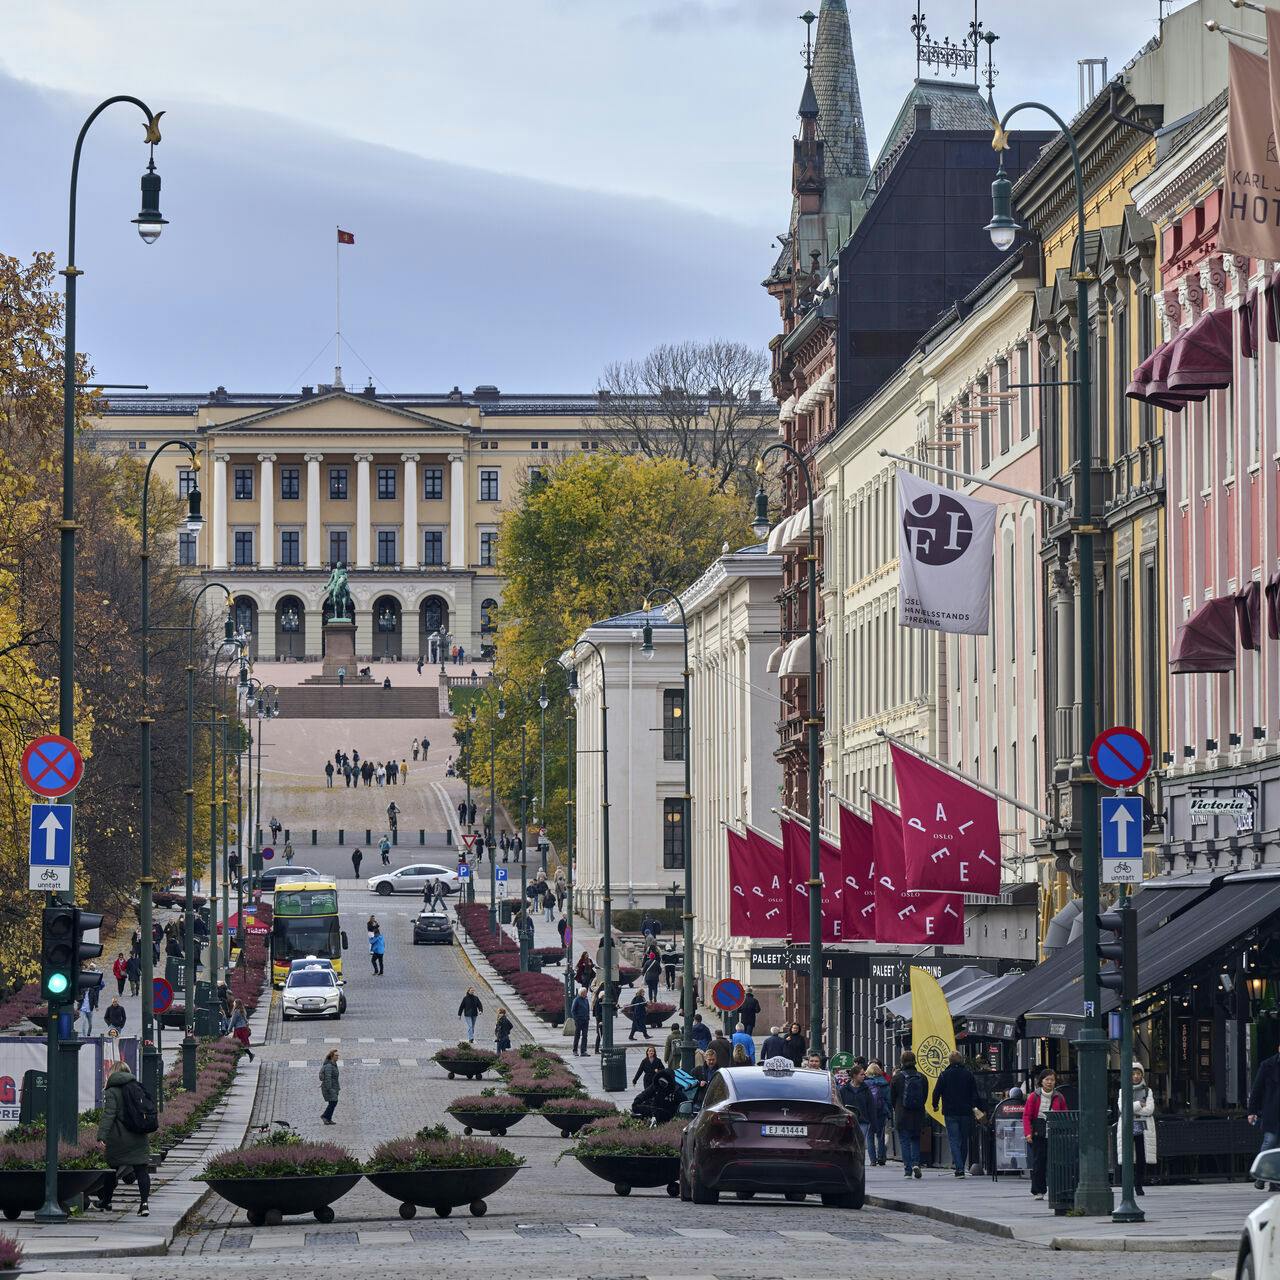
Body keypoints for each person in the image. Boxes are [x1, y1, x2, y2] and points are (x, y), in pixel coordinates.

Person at [94, 1061, 153, 1216]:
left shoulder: (112, 1091)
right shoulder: (137, 1087)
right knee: (141, 1170)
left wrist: (101, 1136)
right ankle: (144, 1204)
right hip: (139, 1135)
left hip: (118, 1138)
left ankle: (106, 1201)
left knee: (111, 1169)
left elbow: (109, 1115)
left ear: (113, 1073)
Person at [932, 1050, 984, 1177]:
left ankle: (959, 1168)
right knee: (964, 1139)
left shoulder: (944, 1075)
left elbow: (936, 1092)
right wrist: (975, 1107)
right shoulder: (968, 1074)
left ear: (949, 1061)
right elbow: (974, 1094)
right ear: (961, 1060)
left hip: (950, 1112)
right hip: (966, 1112)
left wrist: (935, 1105)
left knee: (954, 1140)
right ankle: (962, 1165)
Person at [1023, 1068, 1067, 1199]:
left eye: (1052, 1080)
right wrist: (1028, 1134)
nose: (1049, 1082)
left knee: (1056, 1162)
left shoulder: (1059, 1097)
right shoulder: (1034, 1097)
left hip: (1054, 1134)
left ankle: (1056, 1189)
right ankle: (1038, 1190)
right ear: (1041, 1081)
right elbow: (1026, 1116)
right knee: (1039, 1162)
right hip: (1038, 1133)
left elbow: (1064, 1114)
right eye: (1047, 1079)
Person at [1117, 1062, 1156, 1195]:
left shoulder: (1147, 1090)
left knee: (1141, 1157)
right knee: (1128, 1156)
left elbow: (1150, 1109)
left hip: (1142, 1127)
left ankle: (1139, 1185)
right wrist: (1140, 1104)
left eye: (1138, 1074)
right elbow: (1123, 1109)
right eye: (1133, 1074)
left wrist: (1133, 1109)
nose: (1136, 1076)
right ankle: (1128, 1183)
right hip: (1128, 1126)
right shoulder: (1123, 1090)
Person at [891, 1050, 927, 1179]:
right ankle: (916, 1163)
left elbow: (892, 1098)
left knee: (904, 1142)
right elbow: (924, 1097)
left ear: (902, 1061)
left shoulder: (897, 1077)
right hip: (917, 1114)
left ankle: (907, 1170)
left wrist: (896, 1108)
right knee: (916, 1139)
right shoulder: (922, 1077)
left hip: (902, 1113)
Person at [1250, 1047, 1280, 1161]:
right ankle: (1261, 1173)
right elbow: (1257, 1089)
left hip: (1272, 1111)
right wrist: (1252, 1111)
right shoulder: (1267, 1065)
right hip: (1273, 1112)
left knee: (1270, 1143)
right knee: (1270, 1142)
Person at [840, 1064, 874, 1155]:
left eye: (864, 1074)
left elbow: (871, 1106)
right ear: (854, 1075)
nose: (864, 1076)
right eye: (861, 1074)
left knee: (859, 1143)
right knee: (850, 1142)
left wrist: (873, 1122)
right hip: (849, 1121)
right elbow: (841, 1105)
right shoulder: (844, 1089)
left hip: (863, 1121)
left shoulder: (866, 1089)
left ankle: (859, 1160)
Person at [864, 1060, 891, 1166]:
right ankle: (881, 1157)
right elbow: (888, 1100)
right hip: (881, 1112)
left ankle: (872, 1160)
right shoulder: (884, 1083)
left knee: (870, 1136)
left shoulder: (865, 1084)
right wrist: (888, 1112)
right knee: (880, 1136)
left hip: (869, 1112)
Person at [320, 1048, 340, 1125]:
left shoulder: (333, 1064)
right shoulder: (329, 1066)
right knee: (333, 1102)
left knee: (333, 1102)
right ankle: (325, 1116)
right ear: (332, 1056)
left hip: (334, 1087)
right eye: (336, 1055)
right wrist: (330, 1089)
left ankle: (328, 1118)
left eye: (338, 1055)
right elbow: (328, 1078)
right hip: (329, 1088)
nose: (338, 1057)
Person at [571, 987, 591, 1056]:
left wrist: (588, 1017)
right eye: (585, 992)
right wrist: (576, 1019)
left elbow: (588, 1009)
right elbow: (573, 1010)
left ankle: (583, 1051)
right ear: (581, 993)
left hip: (585, 1020)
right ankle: (575, 1050)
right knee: (577, 1035)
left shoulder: (586, 1000)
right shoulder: (576, 1000)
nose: (586, 994)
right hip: (579, 1020)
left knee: (585, 1036)